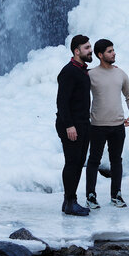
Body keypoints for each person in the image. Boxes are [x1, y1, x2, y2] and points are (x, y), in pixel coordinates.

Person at [85, 39, 129, 209]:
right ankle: (90, 196)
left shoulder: (120, 73)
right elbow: (81, 97)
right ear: (100, 55)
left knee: (117, 161)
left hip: (117, 126)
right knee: (94, 160)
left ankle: (116, 195)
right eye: (109, 51)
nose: (114, 53)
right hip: (97, 126)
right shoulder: (91, 74)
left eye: (113, 50)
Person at [56, 34, 93, 216]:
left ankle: (68, 201)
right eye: (86, 48)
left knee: (78, 163)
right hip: (71, 125)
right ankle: (71, 201)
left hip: (83, 123)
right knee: (72, 163)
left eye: (90, 46)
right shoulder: (69, 71)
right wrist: (69, 125)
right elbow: (62, 102)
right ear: (76, 51)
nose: (90, 50)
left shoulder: (82, 70)